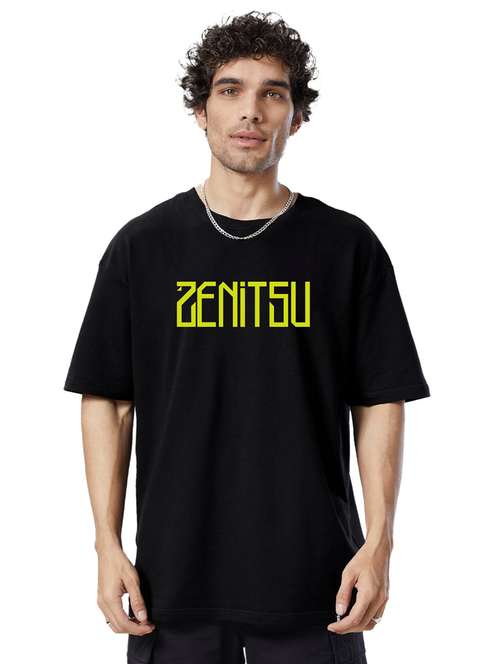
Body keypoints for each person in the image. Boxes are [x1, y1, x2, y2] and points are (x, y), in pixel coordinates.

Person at [63, 11, 430, 664]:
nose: (250, 111)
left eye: (273, 93)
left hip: (319, 588)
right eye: (230, 90)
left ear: (297, 116)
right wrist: (107, 545)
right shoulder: (143, 247)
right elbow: (109, 401)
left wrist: (379, 543)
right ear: (200, 111)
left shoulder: (346, 246)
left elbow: (379, 398)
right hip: (170, 589)